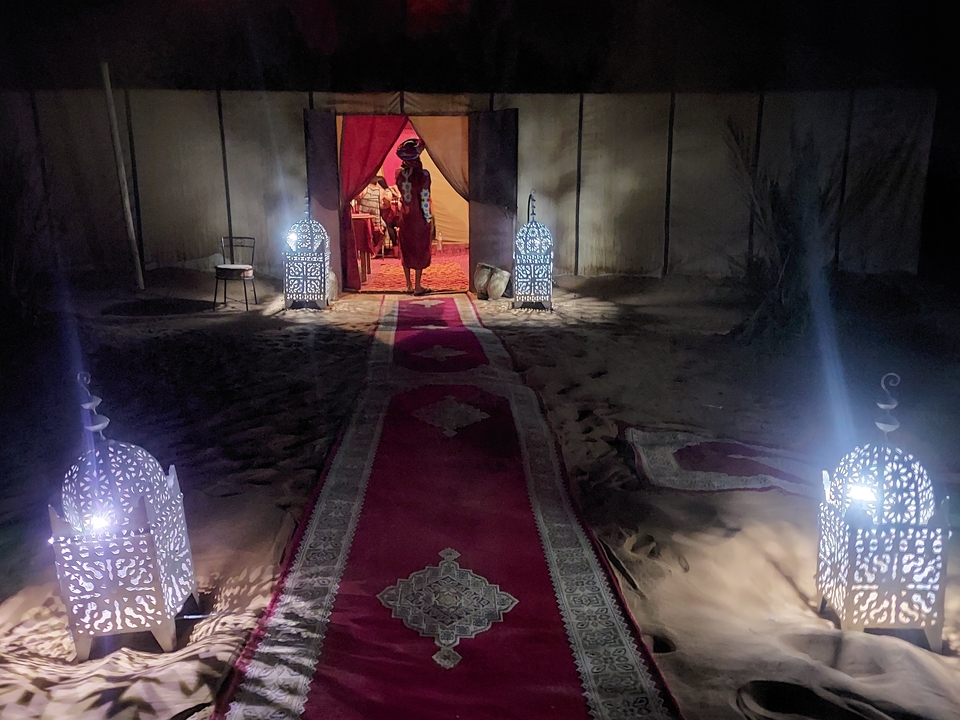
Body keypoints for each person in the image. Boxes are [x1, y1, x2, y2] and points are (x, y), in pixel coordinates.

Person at [394, 138, 434, 295]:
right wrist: (428, 217)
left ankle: (408, 284)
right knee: (419, 250)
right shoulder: (423, 174)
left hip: (404, 217)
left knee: (406, 249)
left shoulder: (399, 174)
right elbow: (425, 198)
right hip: (418, 218)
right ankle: (418, 285)